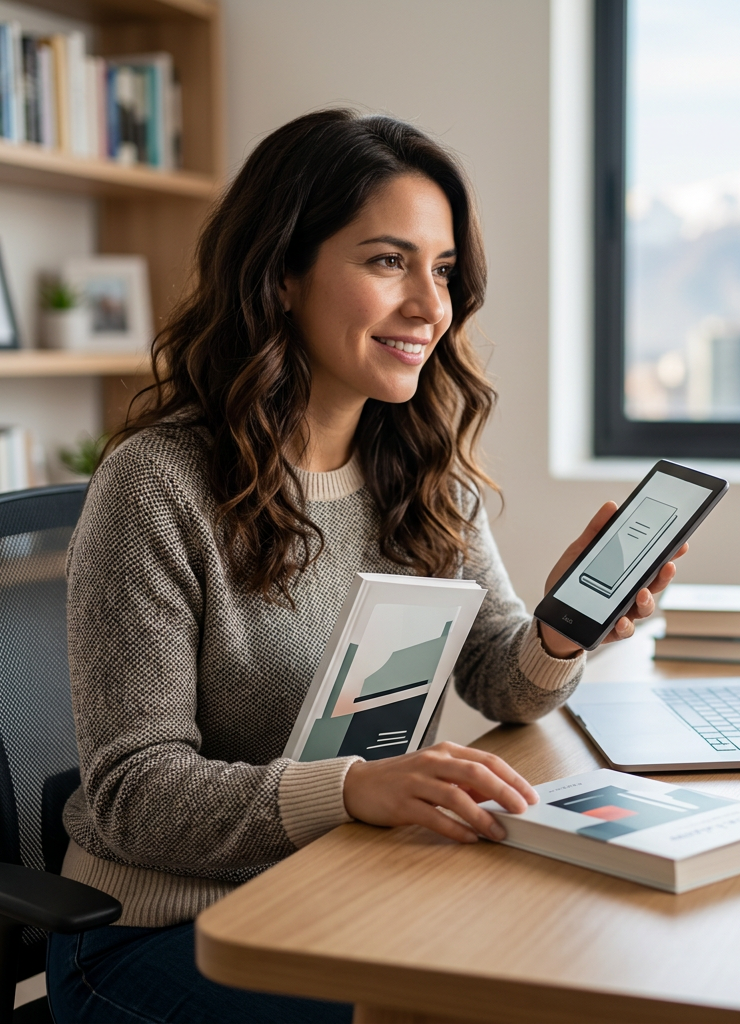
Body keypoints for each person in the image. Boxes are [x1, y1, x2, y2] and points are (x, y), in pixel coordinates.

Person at [46, 109, 685, 1024]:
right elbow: (131, 794)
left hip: (342, 888)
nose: (430, 306)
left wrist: (559, 628)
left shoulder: (416, 466)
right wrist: (353, 788)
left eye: (444, 270)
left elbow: (504, 679)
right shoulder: (156, 484)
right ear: (281, 275)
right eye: (389, 262)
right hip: (165, 934)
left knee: (578, 960)